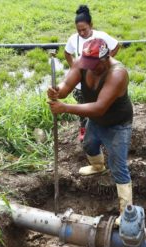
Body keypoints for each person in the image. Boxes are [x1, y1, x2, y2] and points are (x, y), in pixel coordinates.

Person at [49, 38, 132, 224]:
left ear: (106, 58)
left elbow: (99, 107)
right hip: (95, 120)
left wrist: (65, 108)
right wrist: (56, 91)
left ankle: (126, 212)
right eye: (87, 64)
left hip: (117, 124)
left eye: (94, 65)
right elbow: (66, 87)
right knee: (89, 144)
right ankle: (97, 167)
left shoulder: (118, 74)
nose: (90, 68)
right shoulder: (83, 62)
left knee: (118, 165)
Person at [64, 4, 120, 142]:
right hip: (81, 83)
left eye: (84, 29)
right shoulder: (73, 39)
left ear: (91, 25)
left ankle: (103, 129)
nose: (82, 33)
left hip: (98, 80)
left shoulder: (101, 37)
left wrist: (107, 62)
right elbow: (67, 53)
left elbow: (116, 45)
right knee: (83, 107)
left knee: (100, 107)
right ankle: (84, 129)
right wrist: (74, 68)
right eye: (79, 30)